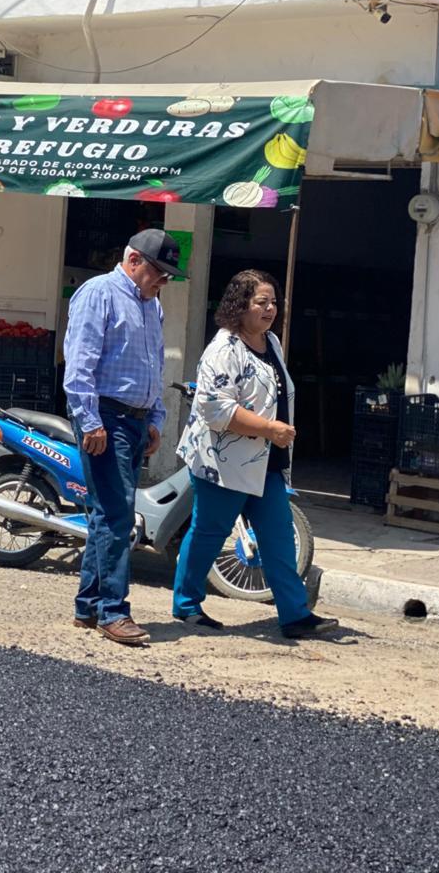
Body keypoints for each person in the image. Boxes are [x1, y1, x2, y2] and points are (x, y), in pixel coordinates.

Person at [174, 269, 339, 639]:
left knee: (279, 535)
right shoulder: (223, 350)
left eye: (273, 303)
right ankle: (186, 605)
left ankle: (294, 615)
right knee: (209, 533)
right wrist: (269, 429)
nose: (269, 309)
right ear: (239, 305)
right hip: (224, 462)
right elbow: (215, 409)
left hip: (267, 461)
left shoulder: (272, 343)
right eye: (261, 302)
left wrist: (275, 435)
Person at [63, 228, 182, 646]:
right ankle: (114, 611)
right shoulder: (99, 294)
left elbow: (153, 366)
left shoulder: (153, 306)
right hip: (106, 418)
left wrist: (155, 419)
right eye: (158, 272)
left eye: (168, 275)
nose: (163, 281)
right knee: (117, 517)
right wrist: (90, 420)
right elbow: (79, 364)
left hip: (134, 420)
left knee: (106, 515)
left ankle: (88, 607)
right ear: (133, 261)